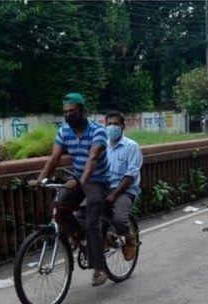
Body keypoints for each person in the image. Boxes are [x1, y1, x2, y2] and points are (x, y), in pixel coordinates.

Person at [29, 93, 111, 286]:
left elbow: (92, 159)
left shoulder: (98, 131)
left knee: (92, 222)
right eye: (65, 112)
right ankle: (80, 235)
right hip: (77, 177)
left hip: (97, 180)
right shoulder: (64, 131)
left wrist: (80, 182)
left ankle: (99, 269)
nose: (68, 115)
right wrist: (40, 181)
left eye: (72, 111)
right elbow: (54, 159)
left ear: (82, 111)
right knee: (59, 206)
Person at [103, 111, 142, 261]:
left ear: (123, 126)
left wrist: (114, 195)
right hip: (105, 188)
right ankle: (105, 240)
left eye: (116, 124)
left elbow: (130, 176)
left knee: (119, 219)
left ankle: (129, 237)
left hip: (125, 190)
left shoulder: (131, 147)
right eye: (109, 124)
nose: (112, 127)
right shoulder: (101, 147)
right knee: (85, 214)